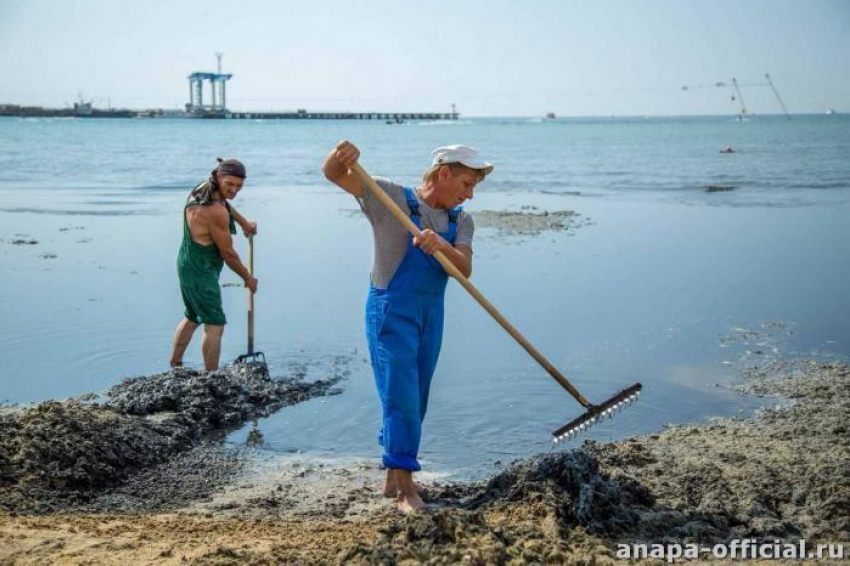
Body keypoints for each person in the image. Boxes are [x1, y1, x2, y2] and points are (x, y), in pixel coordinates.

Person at [322, 141, 493, 513]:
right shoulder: (389, 197)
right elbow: (333, 174)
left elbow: (463, 269)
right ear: (444, 172)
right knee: (400, 394)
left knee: (417, 396)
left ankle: (391, 472)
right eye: (467, 183)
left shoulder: (460, 220)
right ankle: (405, 490)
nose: (470, 194)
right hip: (390, 310)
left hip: (431, 314)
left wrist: (441, 247)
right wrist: (340, 157)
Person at [169, 158, 258, 371]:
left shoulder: (203, 189)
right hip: (201, 269)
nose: (234, 190)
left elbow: (224, 203)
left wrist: (244, 223)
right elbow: (228, 254)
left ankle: (175, 365)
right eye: (230, 184)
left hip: (186, 262)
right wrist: (248, 278)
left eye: (239, 186)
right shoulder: (214, 212)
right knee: (214, 322)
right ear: (219, 177)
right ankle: (212, 377)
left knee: (192, 315)